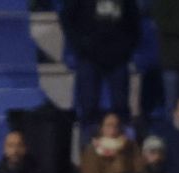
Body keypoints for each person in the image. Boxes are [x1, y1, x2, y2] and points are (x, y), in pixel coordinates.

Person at [59, 0, 139, 128]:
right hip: (88, 58)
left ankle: (123, 145)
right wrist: (80, 45)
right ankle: (88, 145)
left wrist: (126, 47)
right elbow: (66, 18)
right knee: (88, 106)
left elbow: (134, 20)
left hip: (118, 58)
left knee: (121, 106)